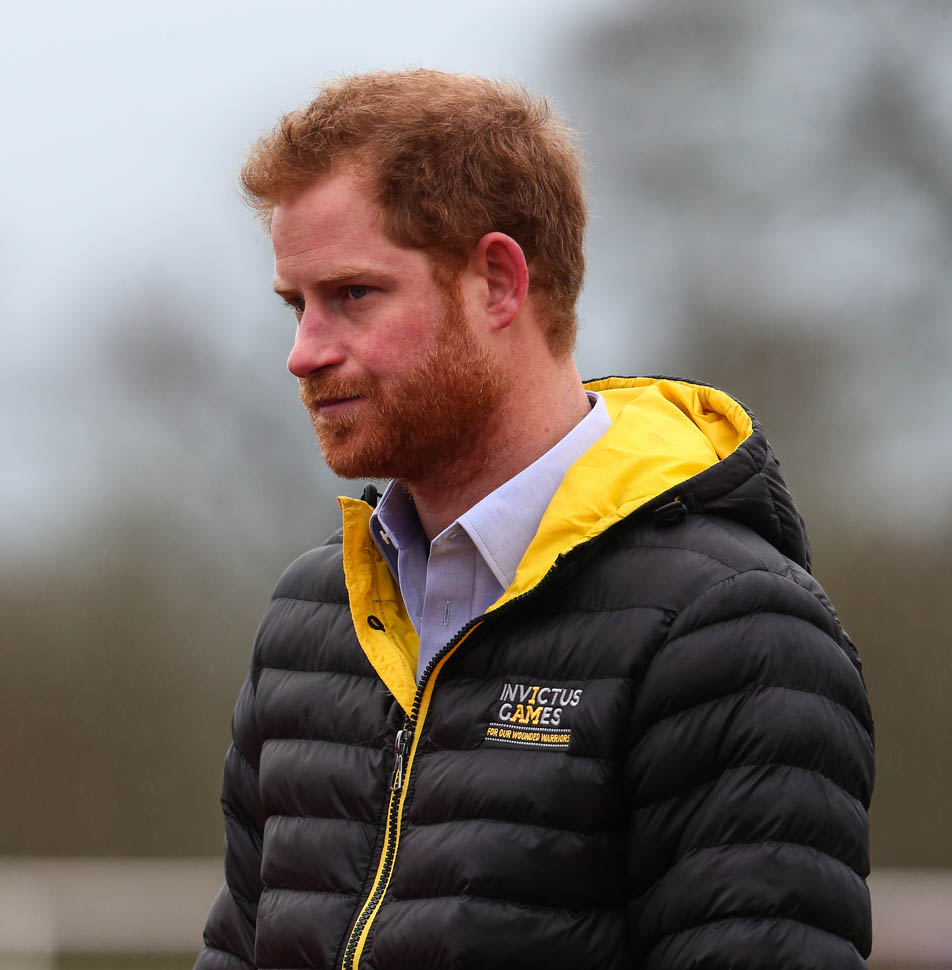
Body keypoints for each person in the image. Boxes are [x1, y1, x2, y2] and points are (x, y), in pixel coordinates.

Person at [195, 70, 874, 970]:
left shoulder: (736, 630)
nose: (303, 352)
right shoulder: (310, 619)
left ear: (498, 283)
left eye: (352, 294)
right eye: (297, 304)